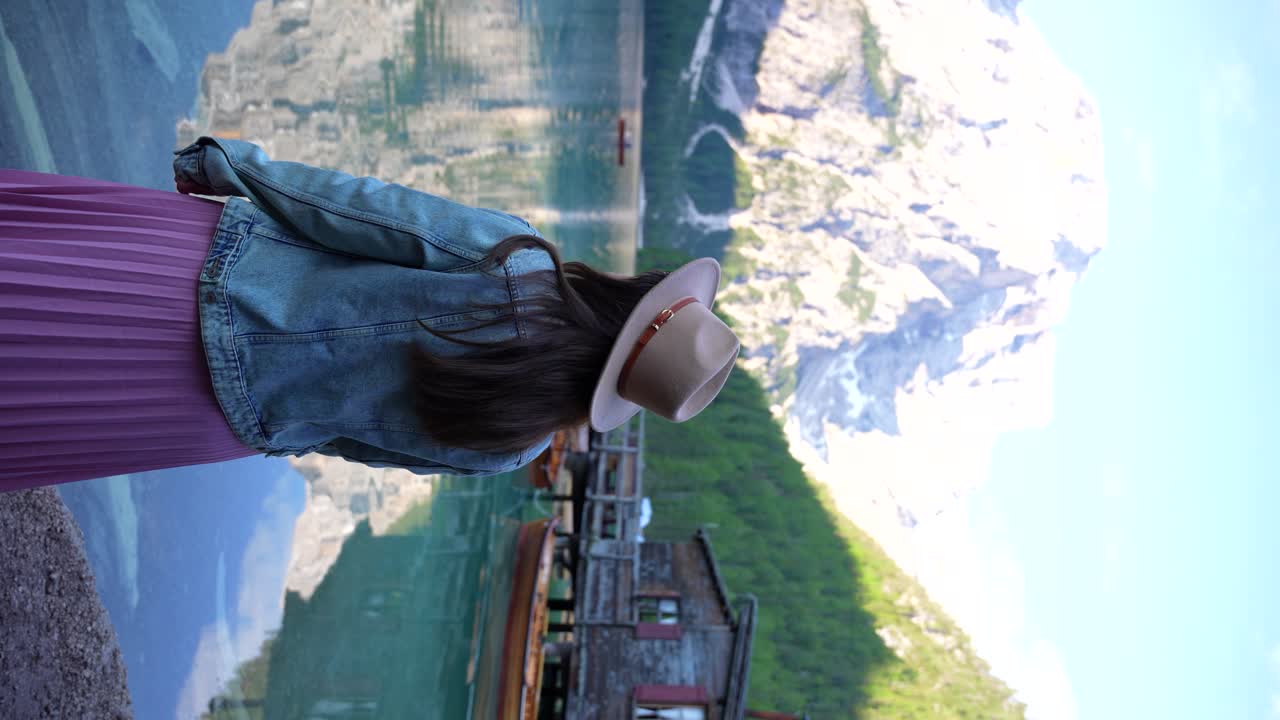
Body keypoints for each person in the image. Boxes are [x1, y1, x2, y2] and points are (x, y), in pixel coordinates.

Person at [0, 137, 740, 492]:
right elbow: (356, 446)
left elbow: (356, 211)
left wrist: (227, 164)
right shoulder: (511, 447)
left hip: (203, 284)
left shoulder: (521, 269)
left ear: (629, 296)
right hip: (215, 416)